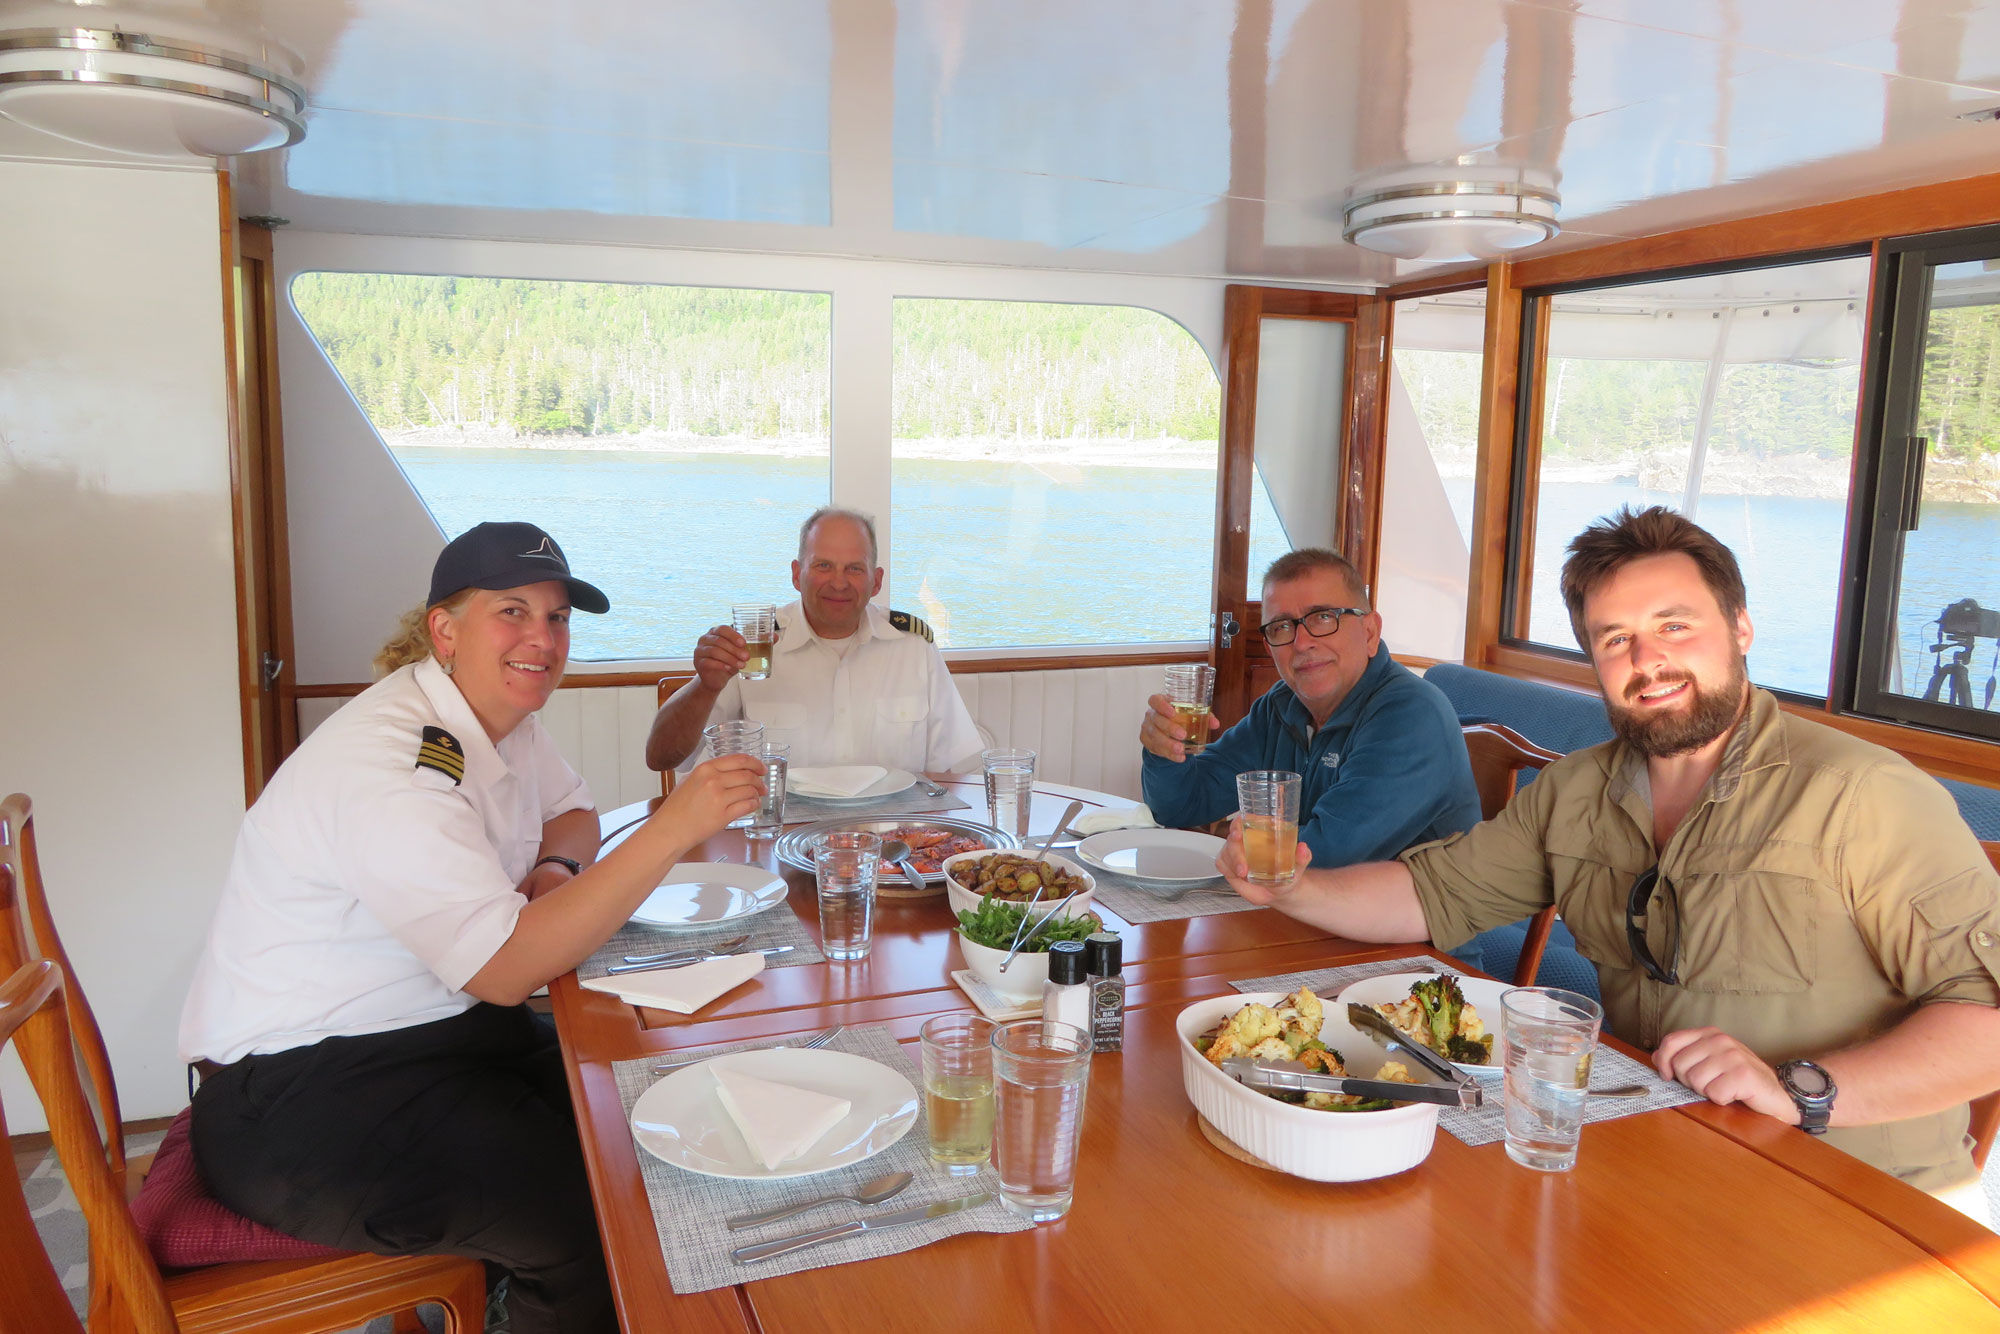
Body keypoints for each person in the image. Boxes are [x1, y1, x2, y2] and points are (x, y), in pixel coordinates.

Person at [1216, 506, 2000, 1198]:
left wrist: (1803, 1090)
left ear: (1741, 628)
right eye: (1615, 638)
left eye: (1675, 625)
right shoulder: (1578, 792)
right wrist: (1289, 887)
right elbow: (1428, 894)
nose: (1646, 660)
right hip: (1667, 1156)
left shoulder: (1862, 796)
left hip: (1857, 1190)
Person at [180, 521, 765, 1334]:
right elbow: (505, 972)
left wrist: (554, 874)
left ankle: (515, 1297)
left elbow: (574, 810)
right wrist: (671, 827)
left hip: (429, 1038)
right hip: (296, 1097)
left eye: (557, 617)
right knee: (583, 1220)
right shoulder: (390, 764)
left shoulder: (493, 716)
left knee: (632, 1111)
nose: (542, 638)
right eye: (513, 612)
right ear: (444, 631)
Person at [1140, 548, 1483, 868]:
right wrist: (1164, 750)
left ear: (1369, 631)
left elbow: (1328, 853)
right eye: (1282, 626)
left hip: (1417, 931)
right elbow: (1180, 805)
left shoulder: (1412, 716)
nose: (1302, 643)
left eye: (1322, 617)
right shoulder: (1281, 706)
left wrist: (1233, 838)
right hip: (1309, 911)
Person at [645, 506, 983, 773]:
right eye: (823, 565)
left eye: (854, 568)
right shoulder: (751, 647)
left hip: (889, 842)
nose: (838, 583)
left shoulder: (913, 647)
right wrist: (706, 686)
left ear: (876, 581)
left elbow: (949, 773)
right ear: (796, 574)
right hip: (777, 840)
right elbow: (662, 757)